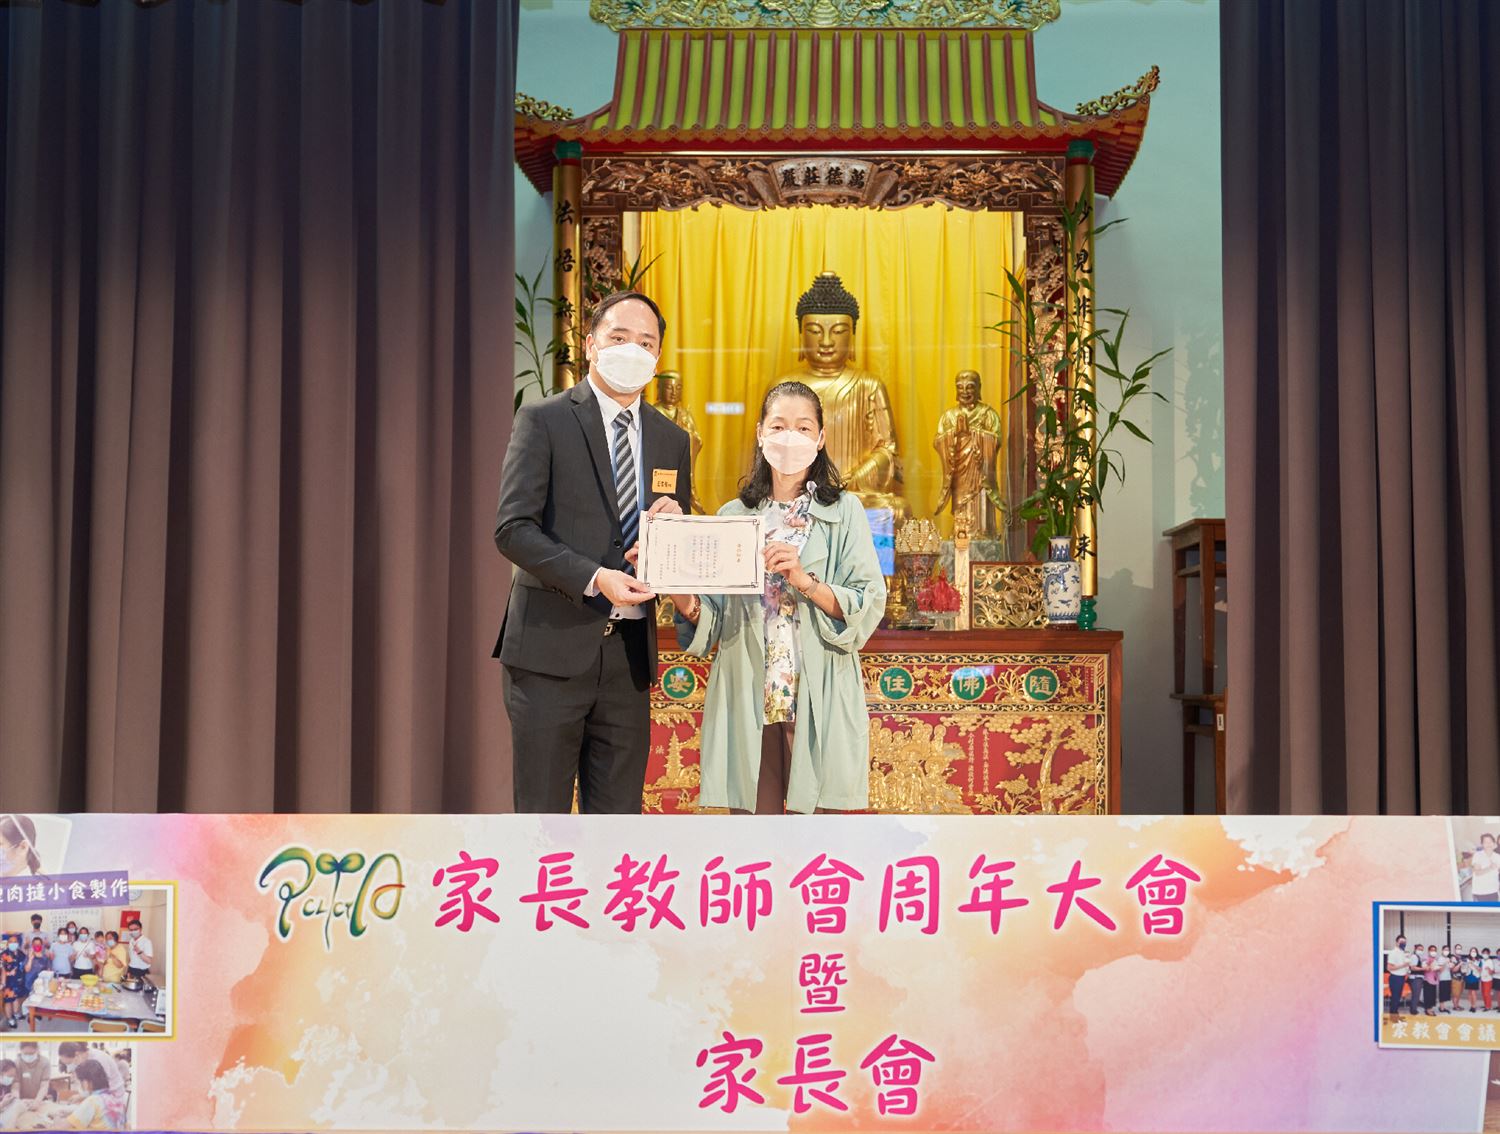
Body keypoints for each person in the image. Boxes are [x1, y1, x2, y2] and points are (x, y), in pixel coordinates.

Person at [493, 291, 692, 813]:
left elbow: (672, 544)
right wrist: (594, 577)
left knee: (617, 826)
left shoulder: (671, 439)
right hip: (549, 655)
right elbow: (512, 529)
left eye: (645, 342)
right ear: (590, 345)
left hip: (628, 660)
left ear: (658, 356)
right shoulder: (544, 419)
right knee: (543, 822)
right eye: (618, 337)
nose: (632, 350)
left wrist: (676, 535)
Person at [670, 381, 887, 814]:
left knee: (819, 837)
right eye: (779, 426)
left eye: (803, 428)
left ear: (821, 438)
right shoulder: (734, 515)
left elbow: (867, 600)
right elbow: (713, 618)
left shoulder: (844, 511)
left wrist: (805, 582)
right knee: (754, 836)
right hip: (749, 691)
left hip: (817, 690)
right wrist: (675, 587)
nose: (790, 437)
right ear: (760, 434)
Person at [62, 1059, 126, 1130]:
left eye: (79, 1081)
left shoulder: (93, 1101)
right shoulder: (115, 1097)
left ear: (85, 1083)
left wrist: (57, 1117)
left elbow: (62, 1127)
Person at [0, 935, 23, 1029]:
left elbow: (23, 963)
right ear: (8, 943)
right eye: (11, 941)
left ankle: (16, 1014)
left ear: (18, 943)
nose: (13, 943)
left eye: (15, 941)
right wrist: (8, 974)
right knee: (8, 1001)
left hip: (18, 982)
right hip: (8, 983)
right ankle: (10, 1019)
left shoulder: (20, 953)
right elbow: (2, 970)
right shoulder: (3, 955)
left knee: (16, 999)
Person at [1385, 934, 1410, 1017]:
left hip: (1402, 977)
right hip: (1395, 978)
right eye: (1401, 941)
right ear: (1396, 942)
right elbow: (1389, 967)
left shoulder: (1403, 952)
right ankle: (1393, 1015)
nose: (1403, 943)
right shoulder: (1393, 952)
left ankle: (1395, 1013)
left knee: (1398, 997)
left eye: (1405, 942)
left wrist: (1407, 970)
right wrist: (1403, 965)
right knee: (1395, 998)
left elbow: (1405, 965)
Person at [1472, 834, 1500, 903]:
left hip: (1493, 890)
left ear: (1494, 843)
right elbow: (1477, 873)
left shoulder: (1497, 856)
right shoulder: (1478, 855)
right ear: (1482, 844)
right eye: (1486, 842)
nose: (1488, 844)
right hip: (1480, 892)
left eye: (1490, 842)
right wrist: (1490, 868)